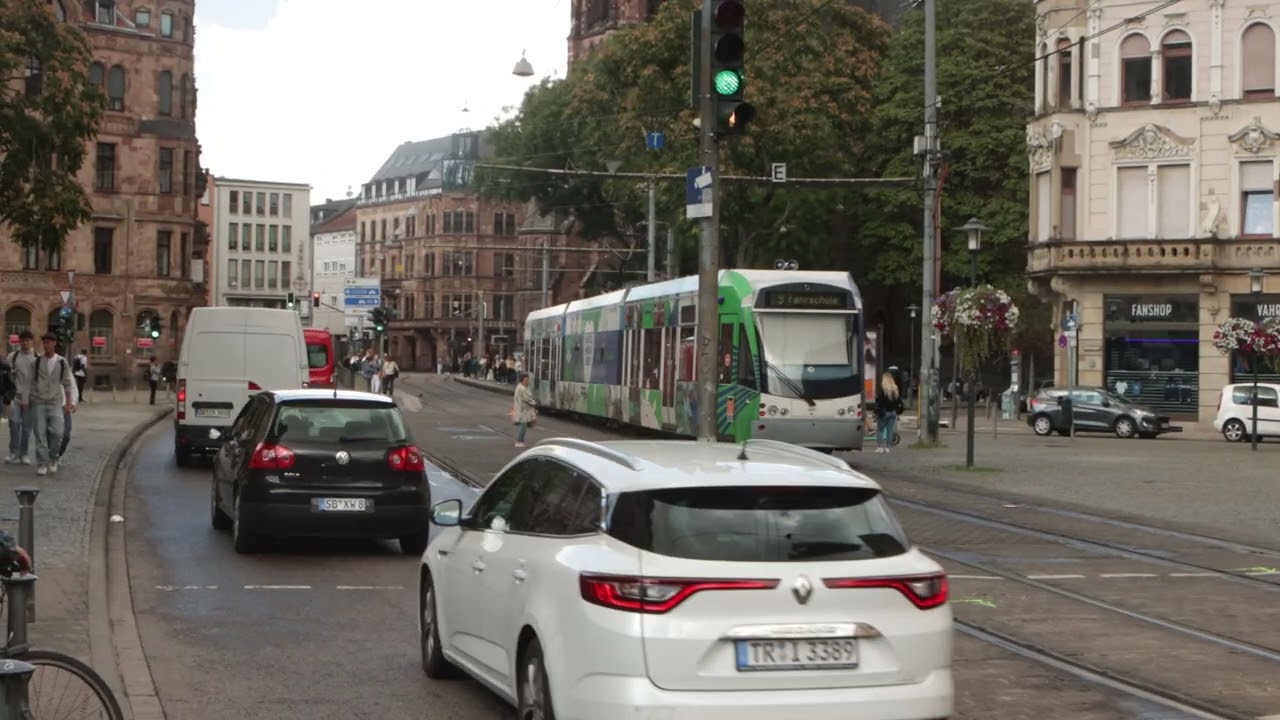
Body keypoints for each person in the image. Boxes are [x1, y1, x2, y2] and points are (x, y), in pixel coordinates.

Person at [21, 332, 75, 475]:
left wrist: (68, 403)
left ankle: (53, 458)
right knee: (40, 434)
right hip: (38, 402)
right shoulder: (36, 362)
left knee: (57, 432)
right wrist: (26, 400)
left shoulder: (62, 362)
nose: (46, 345)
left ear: (54, 343)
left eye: (49, 342)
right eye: (44, 343)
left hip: (55, 402)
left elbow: (68, 384)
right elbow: (29, 383)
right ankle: (42, 463)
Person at [5, 330, 36, 465]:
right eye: (22, 340)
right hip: (16, 397)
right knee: (14, 423)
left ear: (31, 341)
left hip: (30, 398)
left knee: (27, 427)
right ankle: (13, 452)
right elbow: (7, 376)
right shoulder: (13, 356)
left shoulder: (36, 357)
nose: (25, 343)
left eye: (27, 340)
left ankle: (24, 453)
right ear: (19, 341)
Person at [874, 370, 904, 454]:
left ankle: (880, 447)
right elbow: (898, 402)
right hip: (893, 413)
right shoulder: (895, 390)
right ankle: (887, 447)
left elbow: (879, 402)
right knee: (890, 430)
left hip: (884, 412)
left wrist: (876, 399)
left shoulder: (882, 391)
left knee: (880, 430)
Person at [511, 372, 537, 448]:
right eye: (526, 380)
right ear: (522, 380)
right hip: (522, 410)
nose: (527, 381)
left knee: (523, 425)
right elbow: (527, 399)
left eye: (528, 379)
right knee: (523, 426)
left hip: (523, 409)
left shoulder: (523, 387)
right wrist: (535, 404)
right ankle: (520, 441)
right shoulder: (522, 388)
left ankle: (520, 441)